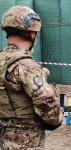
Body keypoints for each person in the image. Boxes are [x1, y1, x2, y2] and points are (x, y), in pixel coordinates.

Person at [0, 6, 63, 149]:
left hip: (5, 137)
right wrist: (55, 120)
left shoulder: (2, 60)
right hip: (27, 139)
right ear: (32, 33)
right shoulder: (26, 65)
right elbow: (45, 99)